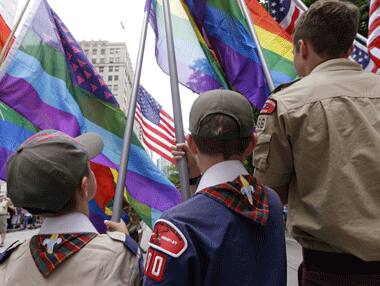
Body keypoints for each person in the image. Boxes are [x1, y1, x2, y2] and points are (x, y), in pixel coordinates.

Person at [253, 0, 380, 284]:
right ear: (349, 49)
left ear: (303, 47)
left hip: (330, 271)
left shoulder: (286, 104)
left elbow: (271, 190)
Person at [143, 90, 286, 285]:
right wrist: (194, 180)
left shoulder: (177, 225)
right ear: (252, 144)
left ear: (191, 144)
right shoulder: (272, 202)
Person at [0, 130, 141, 286]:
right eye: (88, 165)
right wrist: (125, 246)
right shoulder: (122, 259)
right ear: (85, 186)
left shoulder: (8, 263)